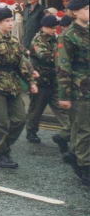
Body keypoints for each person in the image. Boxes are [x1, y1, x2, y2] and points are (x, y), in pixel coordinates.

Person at [0, 8, 38, 169]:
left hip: (13, 85)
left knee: (19, 119)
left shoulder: (13, 41)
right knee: (1, 122)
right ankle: (0, 155)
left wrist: (31, 81)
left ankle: (2, 146)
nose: (10, 23)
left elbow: (21, 64)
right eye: (7, 21)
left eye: (11, 20)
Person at [57, 0, 89, 186]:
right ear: (75, 12)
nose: (89, 11)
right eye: (86, 9)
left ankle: (75, 155)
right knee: (84, 130)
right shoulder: (67, 36)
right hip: (79, 90)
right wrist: (64, 95)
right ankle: (85, 168)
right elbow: (63, 67)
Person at [25, 15, 71, 147]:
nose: (54, 30)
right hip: (40, 82)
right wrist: (64, 58)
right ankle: (31, 131)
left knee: (62, 109)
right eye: (51, 28)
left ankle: (68, 131)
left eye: (55, 28)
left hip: (54, 81)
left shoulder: (55, 39)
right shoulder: (38, 41)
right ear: (44, 27)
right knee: (36, 109)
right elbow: (46, 56)